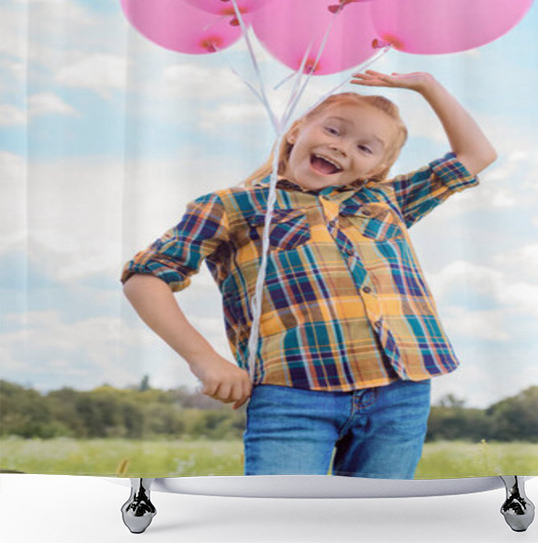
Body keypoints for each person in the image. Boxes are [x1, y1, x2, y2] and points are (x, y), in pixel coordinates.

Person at [121, 69, 497, 478]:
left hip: (400, 391)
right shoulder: (235, 206)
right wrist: (204, 359)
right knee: (286, 519)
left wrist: (426, 85)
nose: (341, 147)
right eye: (334, 130)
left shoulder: (386, 201)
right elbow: (146, 277)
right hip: (294, 394)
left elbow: (476, 155)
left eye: (365, 147)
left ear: (375, 169)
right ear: (296, 130)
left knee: (379, 523)